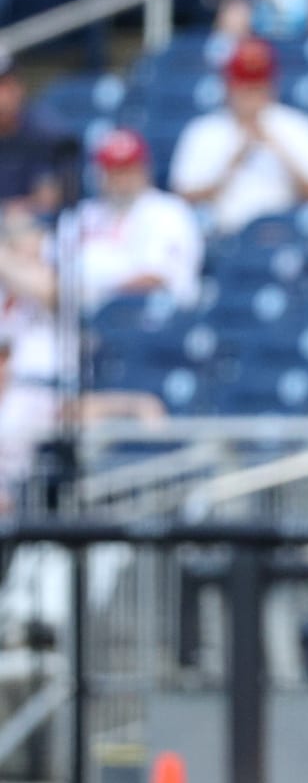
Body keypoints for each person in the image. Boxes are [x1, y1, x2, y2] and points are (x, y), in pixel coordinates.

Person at [0, 129, 202, 491]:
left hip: (124, 330)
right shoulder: (85, 216)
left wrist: (93, 292)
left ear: (144, 167)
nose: (119, 177)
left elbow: (159, 278)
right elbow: (45, 265)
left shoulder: (166, 212)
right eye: (112, 168)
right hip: (61, 326)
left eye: (127, 168)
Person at [170, 38, 308, 235]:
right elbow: (182, 199)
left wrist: (278, 149)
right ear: (228, 87)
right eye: (243, 86)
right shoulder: (203, 130)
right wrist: (232, 162)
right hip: (220, 235)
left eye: (257, 86)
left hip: (283, 234)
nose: (249, 95)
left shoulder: (298, 125)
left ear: (271, 86)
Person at [0, 47, 75, 216]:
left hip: (32, 231)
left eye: (5, 85)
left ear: (18, 87)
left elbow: (46, 203)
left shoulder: (46, 132)